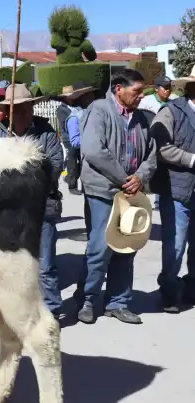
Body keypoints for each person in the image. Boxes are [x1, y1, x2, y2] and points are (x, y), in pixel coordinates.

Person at [75, 69, 156, 325]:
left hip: (132, 192)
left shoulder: (143, 119)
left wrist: (140, 177)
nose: (142, 96)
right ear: (119, 88)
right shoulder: (99, 110)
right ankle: (88, 298)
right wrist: (124, 178)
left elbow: (152, 153)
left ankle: (118, 302)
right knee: (100, 247)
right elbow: (93, 150)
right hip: (104, 192)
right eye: (137, 91)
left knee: (127, 248)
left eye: (143, 91)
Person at [0, 85, 65, 319]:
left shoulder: (46, 133)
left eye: (26, 107)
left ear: (33, 108)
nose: (23, 112)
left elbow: (54, 165)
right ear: (7, 111)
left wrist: (25, 180)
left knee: (44, 265)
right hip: (8, 212)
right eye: (17, 109)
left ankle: (51, 309)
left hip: (42, 206)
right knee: (8, 265)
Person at [150, 65, 195, 313]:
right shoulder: (171, 111)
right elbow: (160, 145)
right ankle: (168, 291)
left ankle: (191, 288)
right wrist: (191, 159)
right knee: (175, 245)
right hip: (177, 190)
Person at [59, 85, 98, 194]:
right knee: (72, 162)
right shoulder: (62, 109)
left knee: (80, 162)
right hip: (68, 138)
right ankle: (72, 184)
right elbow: (66, 124)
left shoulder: (77, 107)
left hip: (77, 136)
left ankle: (78, 182)